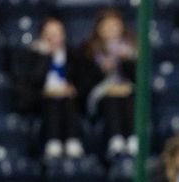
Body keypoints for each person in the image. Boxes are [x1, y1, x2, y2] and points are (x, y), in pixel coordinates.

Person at [15, 17, 84, 159]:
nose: (54, 38)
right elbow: (33, 80)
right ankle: (52, 142)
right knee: (52, 101)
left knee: (66, 99)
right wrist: (46, 56)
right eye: (50, 34)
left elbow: (82, 79)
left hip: (67, 100)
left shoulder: (72, 54)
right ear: (42, 36)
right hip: (40, 99)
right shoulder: (32, 54)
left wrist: (73, 88)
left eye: (57, 34)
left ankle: (73, 141)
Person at [78, 8, 137, 159]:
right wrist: (101, 71)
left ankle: (132, 139)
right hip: (100, 97)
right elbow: (83, 84)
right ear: (99, 29)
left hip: (128, 94)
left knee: (129, 97)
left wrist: (125, 62)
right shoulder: (89, 50)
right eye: (107, 26)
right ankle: (115, 140)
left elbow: (138, 79)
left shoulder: (132, 48)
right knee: (112, 99)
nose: (111, 30)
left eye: (115, 26)